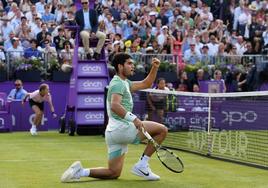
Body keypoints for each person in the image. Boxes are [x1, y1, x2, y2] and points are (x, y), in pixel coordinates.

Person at [61, 53, 168, 182]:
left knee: (113, 172)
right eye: (129, 63)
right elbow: (115, 106)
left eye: (132, 64)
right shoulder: (118, 84)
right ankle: (142, 165)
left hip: (113, 134)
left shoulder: (125, 83)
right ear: (120, 66)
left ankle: (80, 172)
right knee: (162, 130)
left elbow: (146, 83)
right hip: (123, 128)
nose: (132, 66)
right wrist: (134, 119)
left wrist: (155, 67)